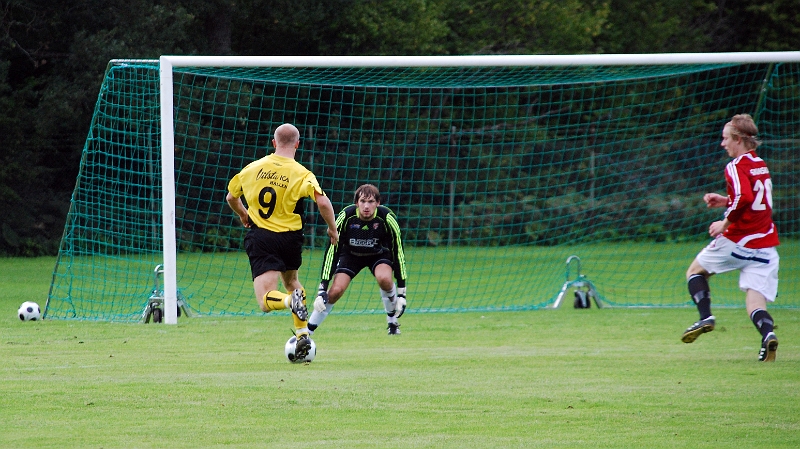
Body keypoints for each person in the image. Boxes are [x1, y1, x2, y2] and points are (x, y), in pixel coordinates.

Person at [226, 123, 339, 359]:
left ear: (273, 143)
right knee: (292, 282)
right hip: (291, 238)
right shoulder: (302, 173)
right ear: (298, 144)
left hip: (263, 236)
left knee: (266, 301)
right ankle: (302, 335)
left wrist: (243, 214)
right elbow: (323, 202)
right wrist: (332, 229)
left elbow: (231, 197)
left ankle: (290, 301)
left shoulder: (252, 168)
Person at [681, 114, 780, 362]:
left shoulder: (736, 166)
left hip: (739, 240)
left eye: (725, 139)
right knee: (755, 301)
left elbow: (745, 198)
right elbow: (755, 201)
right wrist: (725, 201)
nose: (722, 144)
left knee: (695, 271)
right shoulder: (760, 164)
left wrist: (724, 221)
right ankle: (768, 335)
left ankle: (706, 317)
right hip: (766, 245)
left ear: (737, 139)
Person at [308, 184, 408, 335]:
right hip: (350, 255)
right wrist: (322, 288)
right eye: (362, 201)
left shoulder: (387, 218)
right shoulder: (346, 216)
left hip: (378, 254)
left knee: (384, 279)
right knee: (335, 291)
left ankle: (392, 321)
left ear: (378, 203)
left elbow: (398, 252)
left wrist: (402, 292)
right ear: (356, 203)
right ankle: (306, 333)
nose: (366, 206)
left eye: (371, 202)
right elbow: (331, 251)